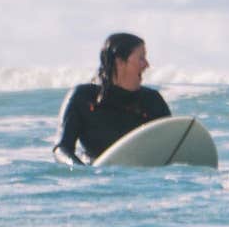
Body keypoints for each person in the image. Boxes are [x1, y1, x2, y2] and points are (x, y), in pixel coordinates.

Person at [53, 32, 171, 165]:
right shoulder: (83, 97)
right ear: (120, 62)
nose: (147, 65)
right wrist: (80, 170)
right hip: (100, 175)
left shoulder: (152, 100)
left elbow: (173, 146)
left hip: (142, 176)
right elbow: (61, 149)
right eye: (141, 58)